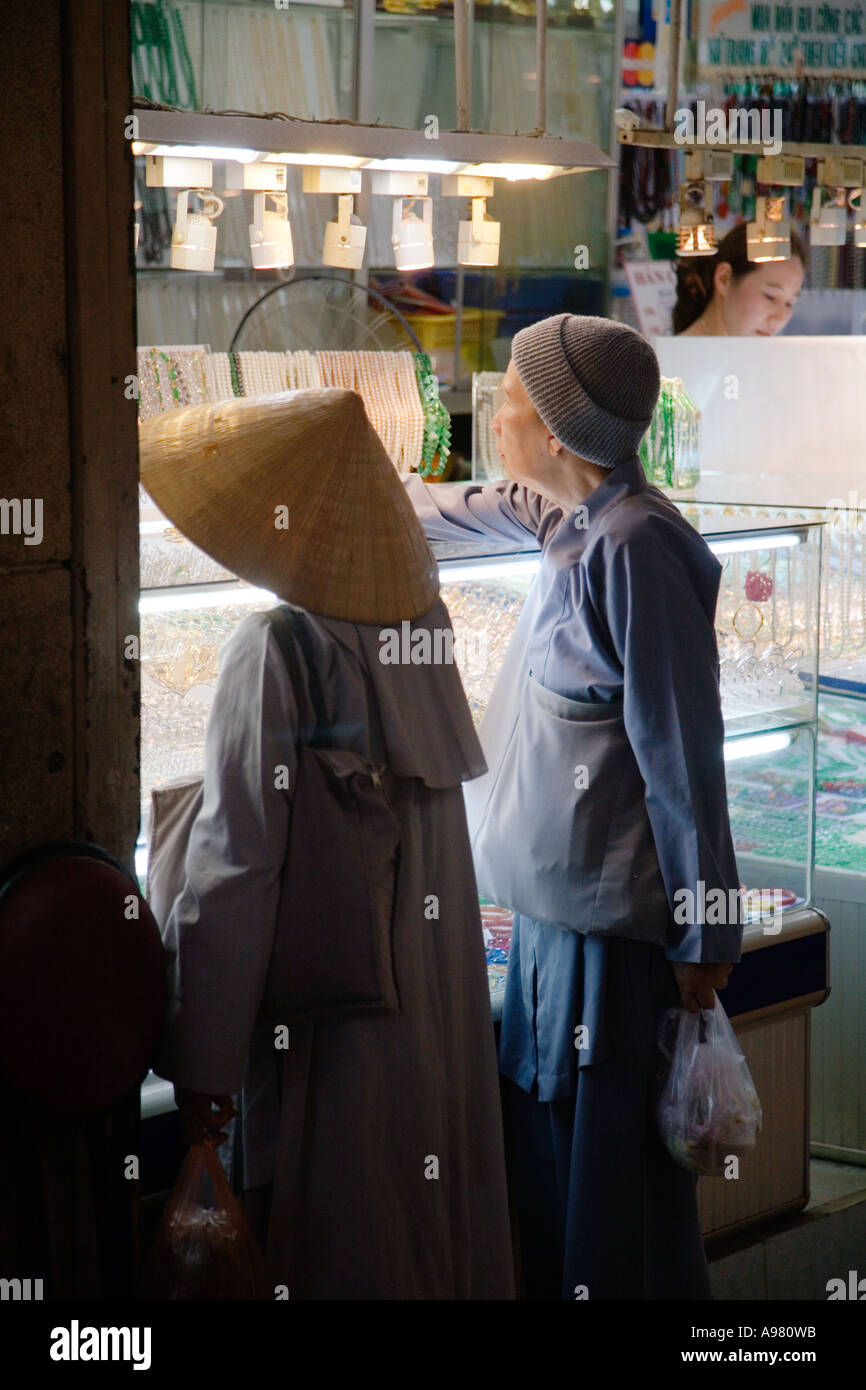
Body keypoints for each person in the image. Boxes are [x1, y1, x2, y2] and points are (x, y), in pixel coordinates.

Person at [141, 389, 515, 1300]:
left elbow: (236, 873)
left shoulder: (275, 648)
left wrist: (204, 1072)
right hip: (432, 1004)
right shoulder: (424, 627)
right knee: (429, 1230)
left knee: (346, 1231)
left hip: (329, 1026)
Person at [403, 313, 743, 1300]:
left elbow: (682, 752)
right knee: (550, 1181)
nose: (492, 413)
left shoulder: (635, 548)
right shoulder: (572, 518)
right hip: (551, 935)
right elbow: (491, 498)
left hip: (615, 950)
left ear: (556, 430)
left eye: (506, 396)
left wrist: (704, 931)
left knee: (610, 1207)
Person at [673, 221, 805, 336]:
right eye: (770, 296)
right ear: (724, 279)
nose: (780, 319)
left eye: (790, 303)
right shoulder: (670, 359)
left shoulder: (768, 359)